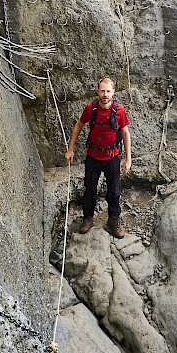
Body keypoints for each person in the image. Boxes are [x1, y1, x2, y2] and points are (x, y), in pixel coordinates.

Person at [65, 77, 132, 239]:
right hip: (93, 157)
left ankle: (114, 219)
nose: (105, 94)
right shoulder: (91, 109)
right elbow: (79, 125)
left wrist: (128, 158)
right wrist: (70, 149)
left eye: (108, 91)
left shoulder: (119, 110)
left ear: (113, 92)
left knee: (114, 190)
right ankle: (88, 217)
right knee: (89, 189)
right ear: (97, 91)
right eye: (102, 90)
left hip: (112, 157)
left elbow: (125, 133)